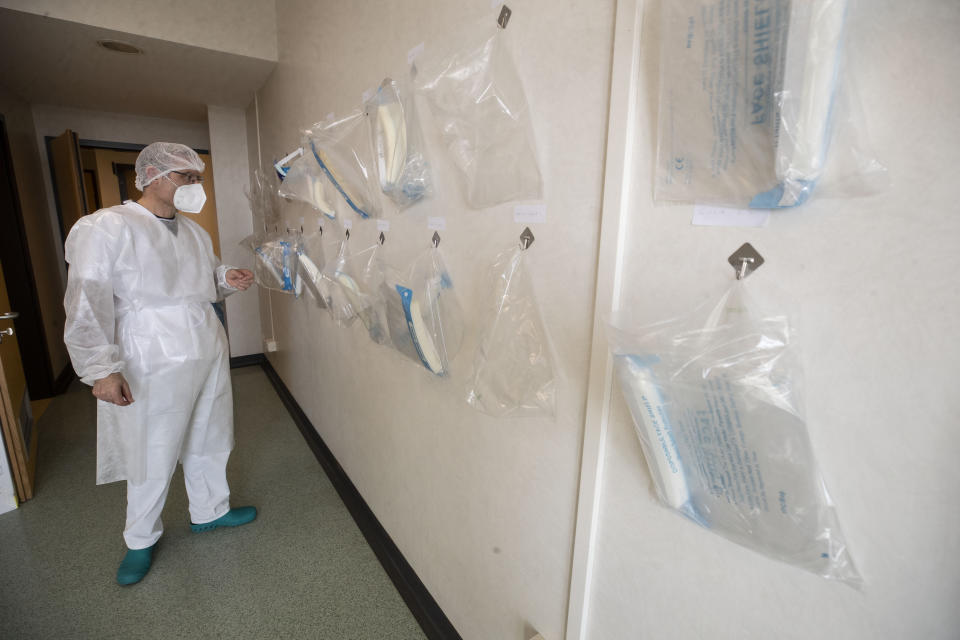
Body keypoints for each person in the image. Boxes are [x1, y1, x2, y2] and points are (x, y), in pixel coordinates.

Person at [63, 142, 257, 585]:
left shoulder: (194, 233)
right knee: (152, 446)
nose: (195, 186)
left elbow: (202, 277)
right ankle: (140, 539)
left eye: (197, 178)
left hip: (205, 343)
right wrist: (101, 368)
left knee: (210, 431)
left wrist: (226, 278)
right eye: (186, 177)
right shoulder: (107, 227)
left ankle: (210, 510)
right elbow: (87, 301)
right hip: (147, 353)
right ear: (151, 177)